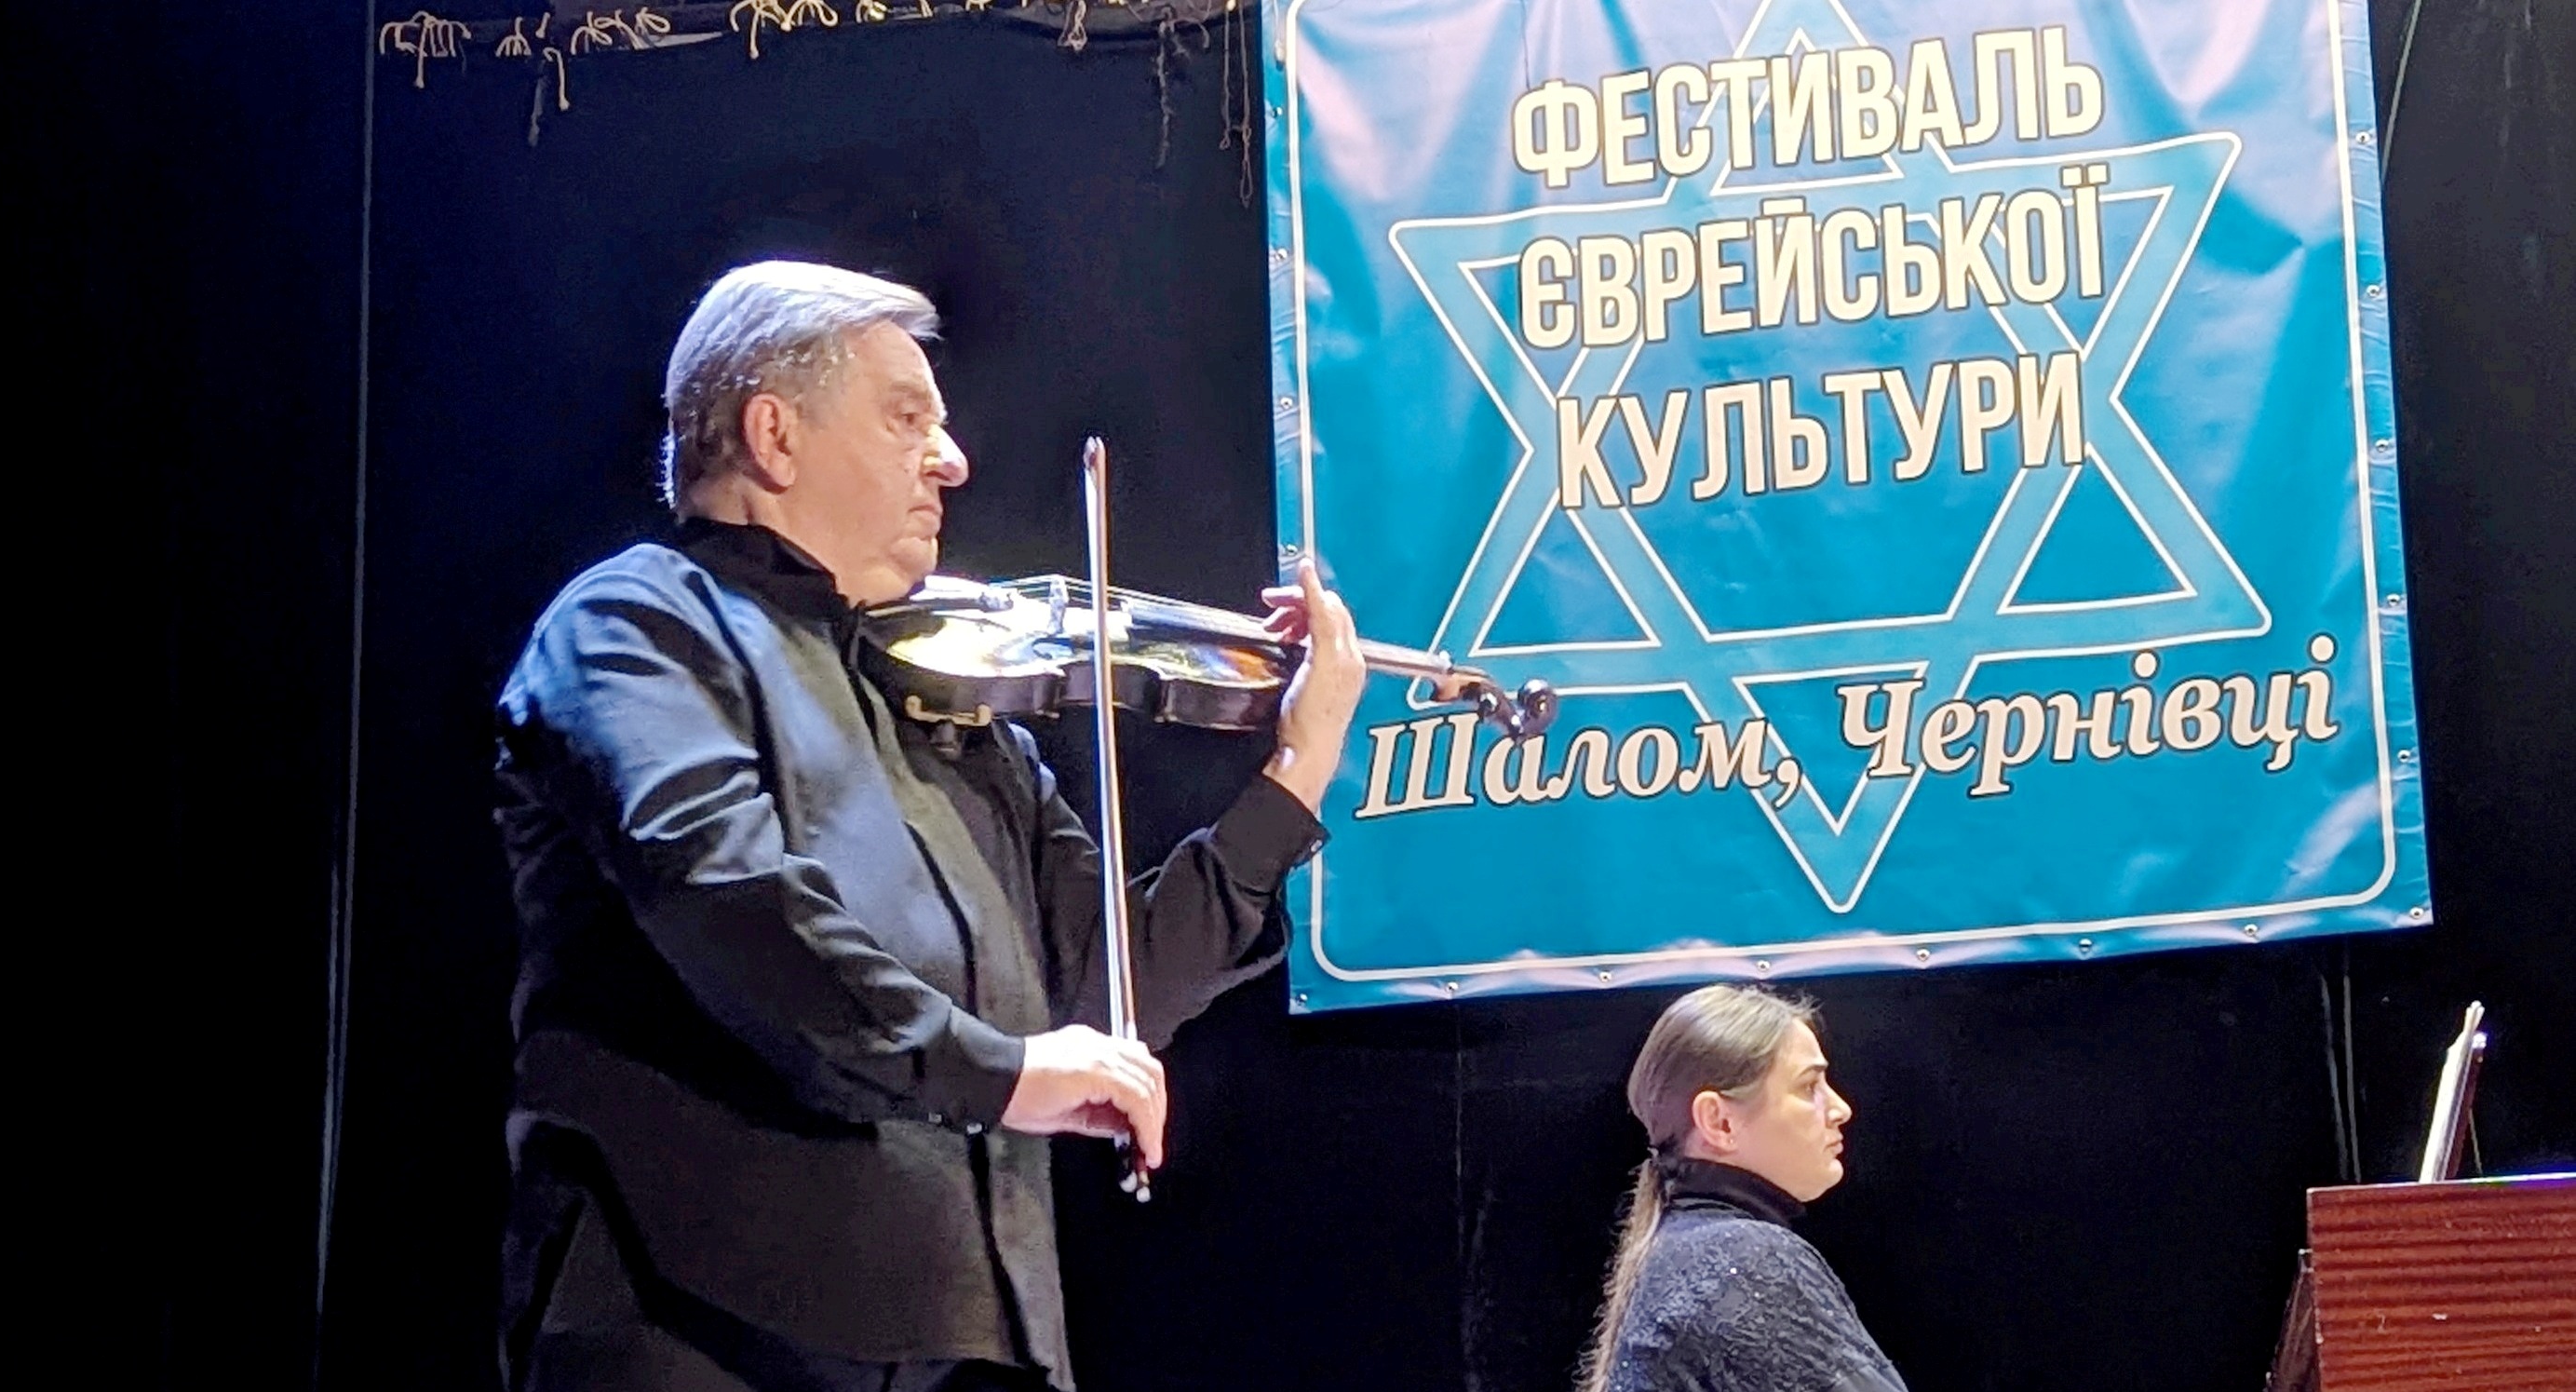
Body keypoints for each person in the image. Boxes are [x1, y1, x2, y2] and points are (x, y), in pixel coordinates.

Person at [489, 261, 1368, 1392]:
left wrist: (1297, 771)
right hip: (694, 1327)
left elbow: (1104, 992)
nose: (949, 459)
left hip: (961, 1348)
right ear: (774, 436)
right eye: (906, 418)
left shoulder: (949, 710)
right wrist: (999, 1072)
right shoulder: (635, 626)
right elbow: (731, 903)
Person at [1580, 986, 1908, 1392]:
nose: (1841, 1109)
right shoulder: (1746, 1258)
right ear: (1719, 1122)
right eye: (1809, 1087)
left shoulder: (1676, 1251)